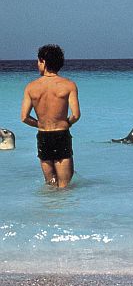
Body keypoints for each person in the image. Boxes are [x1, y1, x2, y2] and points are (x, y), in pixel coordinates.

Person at [21, 44, 80, 188]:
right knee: (65, 186)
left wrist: (40, 124)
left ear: (43, 61)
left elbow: (24, 117)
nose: (37, 64)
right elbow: (76, 115)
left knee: (50, 184)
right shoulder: (68, 85)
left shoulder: (31, 87)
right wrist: (66, 123)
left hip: (43, 136)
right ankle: (66, 209)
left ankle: (49, 209)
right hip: (61, 134)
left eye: (38, 61)